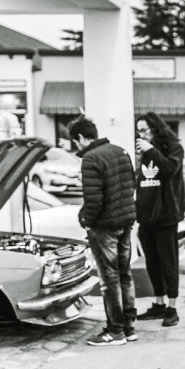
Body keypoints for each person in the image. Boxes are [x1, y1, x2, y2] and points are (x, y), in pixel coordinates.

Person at [69, 116, 139, 346]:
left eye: (75, 141)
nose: (76, 147)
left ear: (80, 137)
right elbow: (131, 184)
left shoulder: (90, 158)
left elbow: (94, 199)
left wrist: (86, 220)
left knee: (109, 280)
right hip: (125, 222)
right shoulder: (121, 151)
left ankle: (115, 331)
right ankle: (129, 327)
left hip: (104, 227)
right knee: (124, 275)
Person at [133, 112, 185, 327]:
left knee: (168, 263)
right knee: (152, 264)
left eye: (145, 129)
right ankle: (159, 303)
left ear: (156, 128)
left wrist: (150, 150)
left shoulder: (174, 148)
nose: (141, 134)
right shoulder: (145, 152)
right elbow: (143, 181)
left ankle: (172, 308)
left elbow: (169, 169)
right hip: (146, 216)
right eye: (139, 130)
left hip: (166, 215)